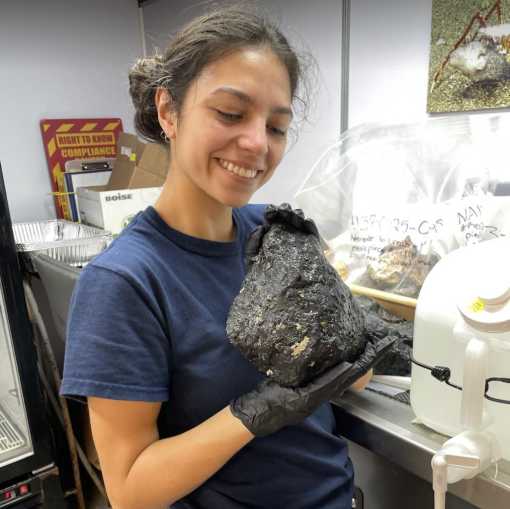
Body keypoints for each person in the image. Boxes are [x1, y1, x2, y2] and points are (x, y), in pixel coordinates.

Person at [61, 3, 390, 508]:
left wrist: (355, 324)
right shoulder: (125, 283)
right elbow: (129, 490)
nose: (257, 143)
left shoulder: (277, 234)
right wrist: (250, 414)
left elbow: (353, 371)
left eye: (277, 127)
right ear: (168, 110)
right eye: (230, 113)